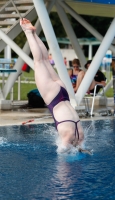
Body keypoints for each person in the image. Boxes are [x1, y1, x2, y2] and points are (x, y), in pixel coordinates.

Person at [20, 18, 84, 152]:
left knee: (44, 62)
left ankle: (33, 33)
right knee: (39, 62)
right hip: (55, 98)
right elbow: (62, 157)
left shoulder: (80, 137)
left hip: (63, 94)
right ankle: (28, 32)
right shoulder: (69, 136)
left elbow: (81, 149)